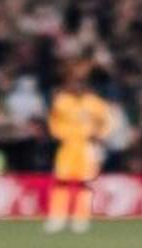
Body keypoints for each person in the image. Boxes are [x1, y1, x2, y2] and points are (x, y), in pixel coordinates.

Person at [44, 66, 117, 235]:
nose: (76, 86)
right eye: (73, 82)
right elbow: (54, 122)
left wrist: (100, 134)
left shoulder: (94, 103)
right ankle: (57, 217)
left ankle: (81, 218)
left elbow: (108, 121)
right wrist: (59, 134)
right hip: (68, 146)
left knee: (84, 184)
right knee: (61, 182)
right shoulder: (62, 101)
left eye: (80, 82)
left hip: (86, 147)